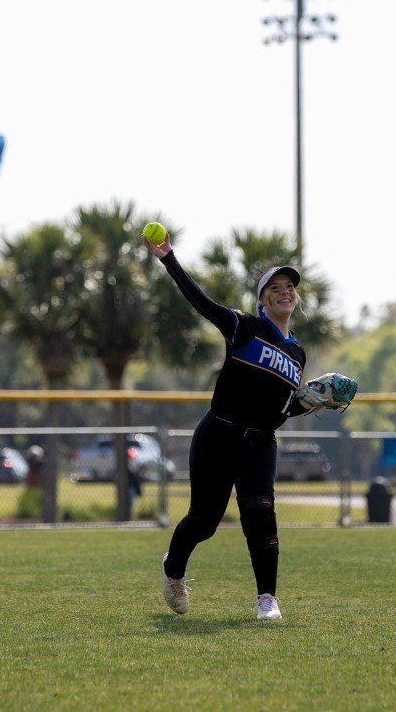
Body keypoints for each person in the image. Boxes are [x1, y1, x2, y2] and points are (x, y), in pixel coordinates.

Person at [143, 229, 347, 621]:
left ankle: (267, 598)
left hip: (260, 442)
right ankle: (173, 569)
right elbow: (201, 303)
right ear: (262, 298)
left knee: (261, 513)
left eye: (289, 286)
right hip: (218, 435)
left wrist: (312, 399)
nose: (284, 291)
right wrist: (169, 258)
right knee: (204, 522)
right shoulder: (243, 327)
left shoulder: (297, 352)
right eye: (275, 287)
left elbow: (282, 411)